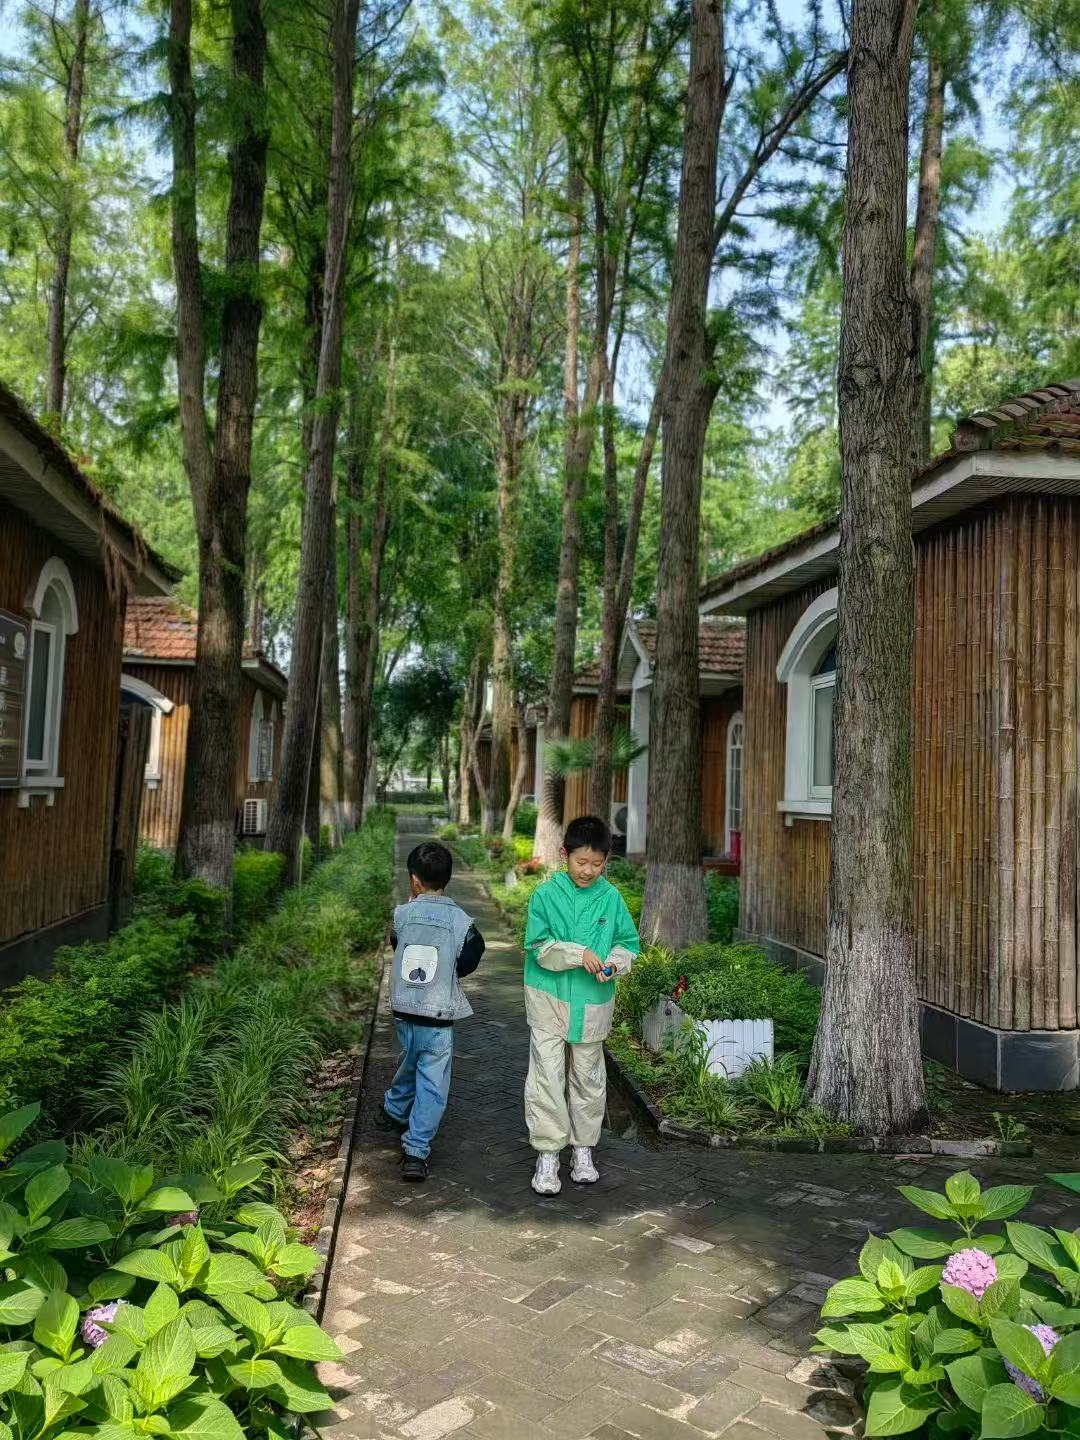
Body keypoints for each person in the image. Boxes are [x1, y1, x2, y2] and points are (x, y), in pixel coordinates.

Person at [523, 814, 639, 1195]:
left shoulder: (611, 898)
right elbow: (538, 946)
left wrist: (614, 964)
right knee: (547, 1077)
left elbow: (627, 943)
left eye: (597, 863)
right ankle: (548, 1154)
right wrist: (579, 954)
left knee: (589, 1079)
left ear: (606, 860)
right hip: (548, 1001)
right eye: (581, 861)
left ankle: (583, 1149)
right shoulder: (545, 895)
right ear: (564, 855)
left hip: (592, 1004)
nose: (588, 870)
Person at [380, 841, 484, 1182]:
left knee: (413, 1057)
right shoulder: (461, 920)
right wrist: (451, 970)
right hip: (437, 1015)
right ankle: (416, 1150)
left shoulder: (402, 914)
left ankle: (394, 1108)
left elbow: (398, 946)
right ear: (448, 879)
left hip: (404, 1010)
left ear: (414, 880)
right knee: (432, 1082)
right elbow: (472, 955)